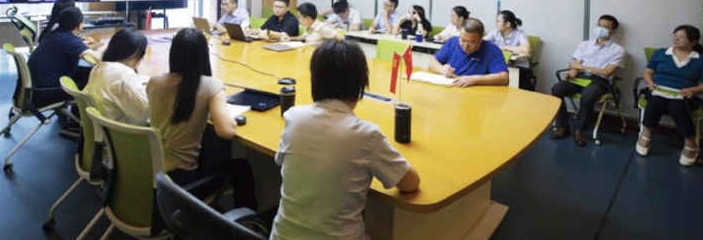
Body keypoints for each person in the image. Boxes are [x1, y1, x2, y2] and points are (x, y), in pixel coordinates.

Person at [270, 40, 420, 240]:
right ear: (359, 86)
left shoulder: (293, 117)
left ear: (315, 80)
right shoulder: (366, 135)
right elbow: (410, 183)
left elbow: (280, 160)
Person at [146, 28, 258, 208]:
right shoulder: (210, 85)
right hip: (183, 183)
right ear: (203, 54)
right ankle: (249, 223)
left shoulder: (155, 81)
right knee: (241, 167)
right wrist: (218, 109)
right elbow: (227, 131)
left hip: (155, 172)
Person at [636, 25, 703, 166]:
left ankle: (691, 142)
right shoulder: (661, 53)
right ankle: (646, 134)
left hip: (684, 95)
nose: (676, 38)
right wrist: (650, 83)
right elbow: (647, 72)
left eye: (681, 37)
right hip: (658, 90)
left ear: (694, 41)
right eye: (675, 35)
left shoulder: (701, 60)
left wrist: (693, 89)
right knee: (657, 101)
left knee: (676, 105)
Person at [551, 14, 625, 147]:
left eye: (605, 27)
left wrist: (582, 67)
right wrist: (572, 72)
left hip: (599, 81)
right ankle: (563, 127)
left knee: (588, 95)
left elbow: (607, 72)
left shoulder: (619, 50)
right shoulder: (585, 45)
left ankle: (579, 130)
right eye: (599, 25)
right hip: (580, 78)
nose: (600, 28)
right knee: (557, 89)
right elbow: (575, 64)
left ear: (613, 31)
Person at [28, 6, 105, 108]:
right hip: (45, 94)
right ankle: (83, 115)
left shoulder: (55, 34)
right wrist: (103, 47)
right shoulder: (67, 40)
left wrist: (90, 46)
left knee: (90, 73)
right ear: (80, 25)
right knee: (96, 82)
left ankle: (77, 114)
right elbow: (98, 58)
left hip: (37, 88)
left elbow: (72, 46)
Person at [84, 28, 149, 125]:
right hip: (126, 132)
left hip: (104, 128)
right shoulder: (123, 77)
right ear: (136, 54)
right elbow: (146, 116)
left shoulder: (99, 67)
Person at [428, 18, 509, 87]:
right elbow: (432, 62)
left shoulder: (492, 50)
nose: (465, 46)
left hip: (477, 91)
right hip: (453, 87)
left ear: (481, 39)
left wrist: (475, 79)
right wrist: (441, 69)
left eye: (471, 43)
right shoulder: (452, 42)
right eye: (462, 40)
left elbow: (504, 78)